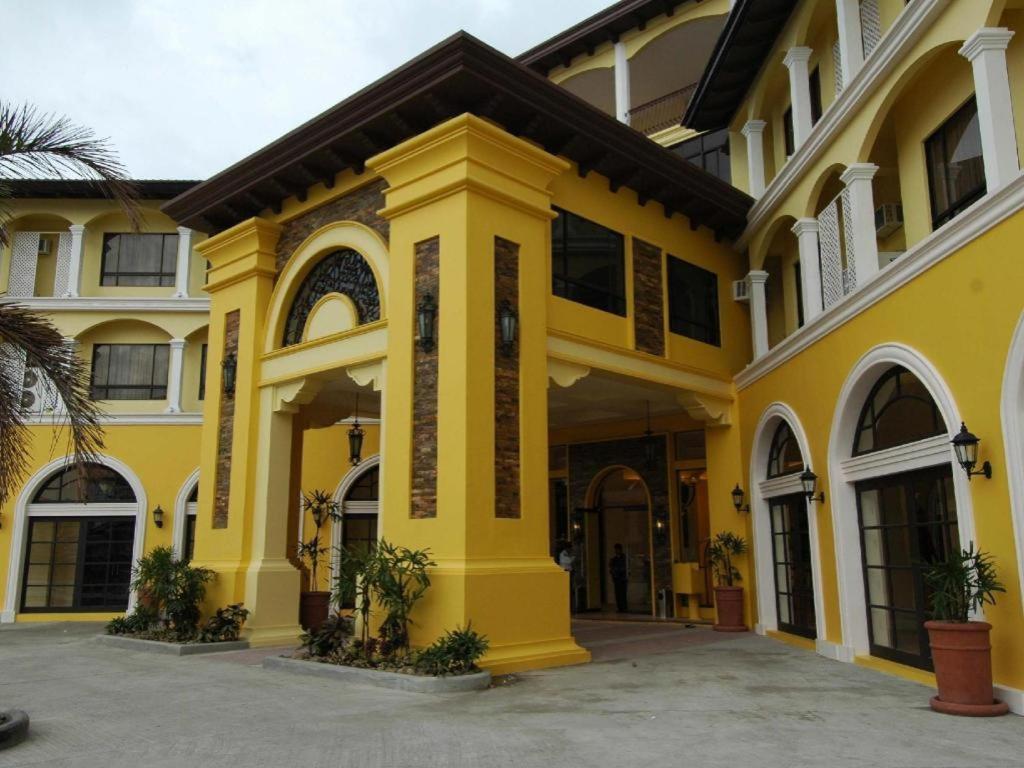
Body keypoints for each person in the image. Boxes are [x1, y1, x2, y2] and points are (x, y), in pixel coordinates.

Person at [609, 543, 628, 613]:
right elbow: (611, 568)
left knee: (623, 593)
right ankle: (620, 608)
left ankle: (624, 608)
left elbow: (625, 567)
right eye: (616, 549)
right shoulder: (614, 559)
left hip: (623, 578)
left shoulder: (624, 557)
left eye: (618, 549)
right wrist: (614, 572)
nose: (617, 551)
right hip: (617, 579)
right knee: (617, 594)